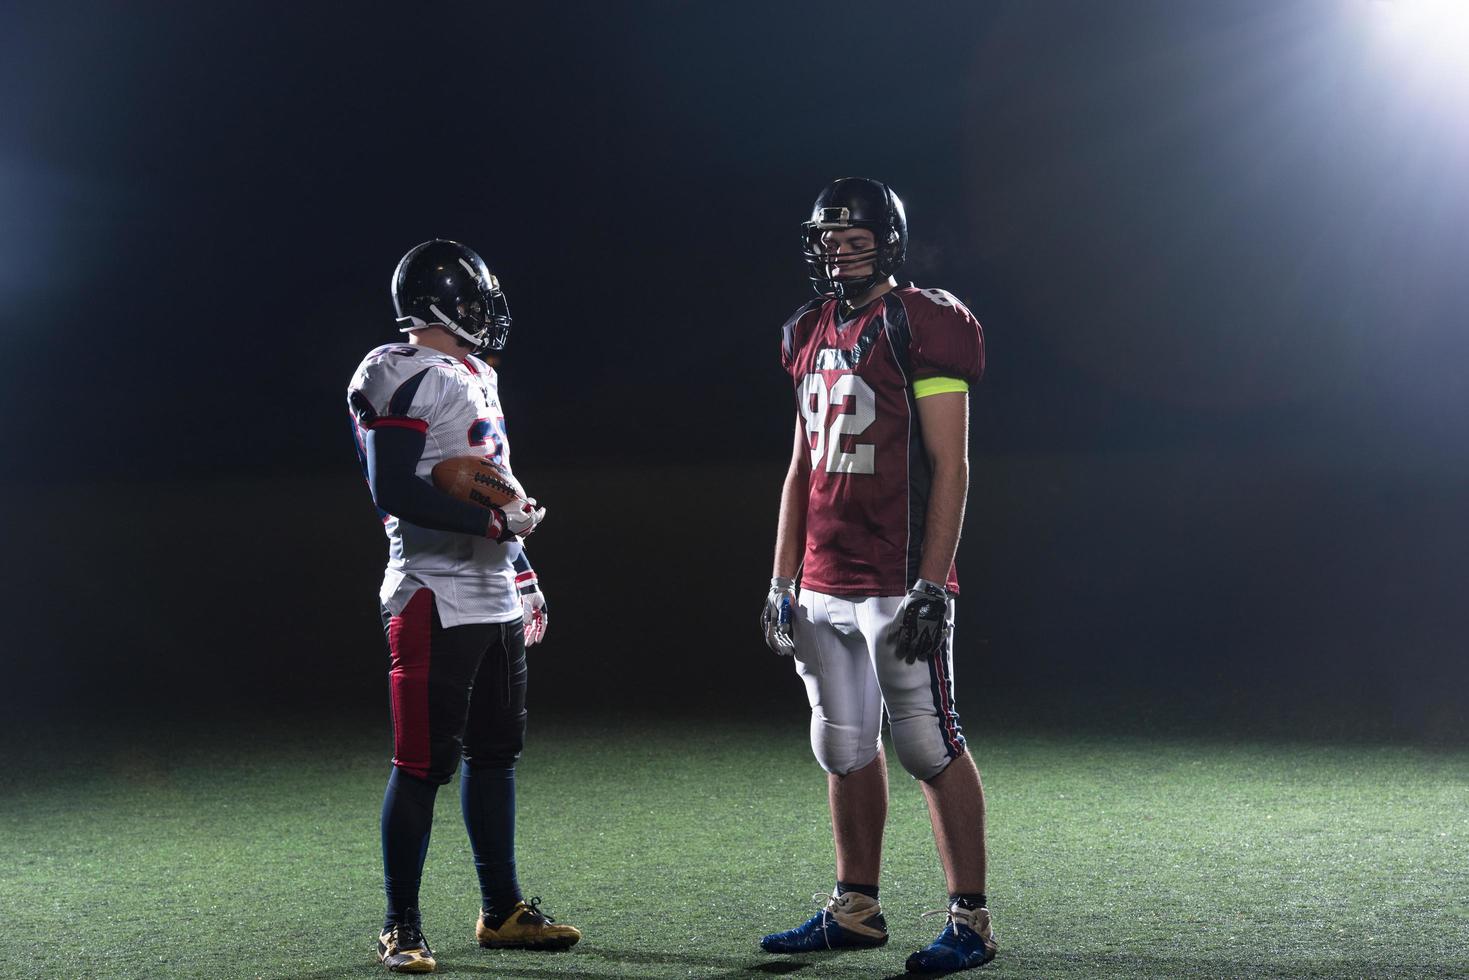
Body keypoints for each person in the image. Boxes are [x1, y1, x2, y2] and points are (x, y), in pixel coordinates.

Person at [759, 179, 997, 973]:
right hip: (822, 580)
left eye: (855, 235)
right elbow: (799, 469)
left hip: (895, 579)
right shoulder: (805, 329)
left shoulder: (921, 323)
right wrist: (779, 579)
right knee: (841, 745)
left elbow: (950, 463)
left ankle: (970, 922)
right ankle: (854, 907)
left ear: (887, 241)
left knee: (929, 744)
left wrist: (932, 582)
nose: (839, 247)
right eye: (829, 235)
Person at [346, 239, 579, 973]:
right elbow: (395, 488)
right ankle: (401, 925)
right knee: (421, 764)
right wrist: (492, 525)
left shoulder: (474, 372)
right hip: (430, 591)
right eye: (474, 302)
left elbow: (487, 478)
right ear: (442, 306)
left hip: (488, 589)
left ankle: (502, 907)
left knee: (496, 755)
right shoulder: (396, 369)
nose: (486, 316)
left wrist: (520, 564)